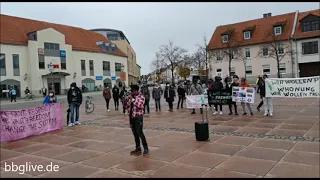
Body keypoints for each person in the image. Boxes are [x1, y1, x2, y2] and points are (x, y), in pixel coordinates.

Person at [126, 84, 149, 155]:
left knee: (140, 133)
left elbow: (139, 105)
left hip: (138, 117)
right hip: (132, 117)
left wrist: (132, 99)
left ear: (136, 91)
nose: (131, 92)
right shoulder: (132, 97)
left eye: (132, 91)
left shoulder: (141, 96)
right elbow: (128, 107)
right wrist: (126, 102)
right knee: (135, 133)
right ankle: (138, 148)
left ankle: (145, 148)